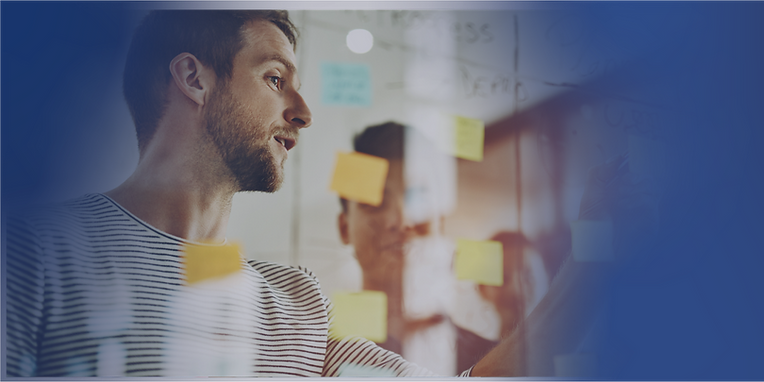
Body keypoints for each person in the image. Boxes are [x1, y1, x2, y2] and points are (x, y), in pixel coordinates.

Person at [6, 9, 616, 378]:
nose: (303, 112)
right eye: (275, 78)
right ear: (193, 78)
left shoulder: (296, 305)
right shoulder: (32, 252)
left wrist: (597, 249)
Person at [336, 123, 549, 374]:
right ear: (345, 228)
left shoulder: (497, 364)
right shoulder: (316, 358)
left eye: (418, 199)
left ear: (441, 220)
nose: (402, 219)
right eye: (375, 203)